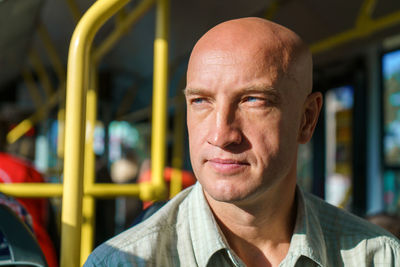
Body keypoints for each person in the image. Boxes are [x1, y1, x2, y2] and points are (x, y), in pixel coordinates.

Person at [85, 17, 400, 266]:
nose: (221, 134)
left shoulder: (380, 258)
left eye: (253, 100)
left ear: (307, 119)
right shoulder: (123, 261)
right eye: (201, 101)